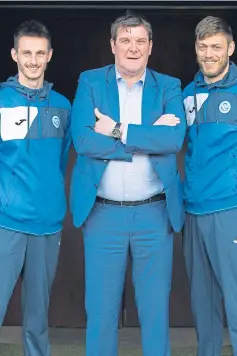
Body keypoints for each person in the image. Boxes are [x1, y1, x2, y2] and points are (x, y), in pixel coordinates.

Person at [71, 11, 186, 356]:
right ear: (113, 45)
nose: (132, 48)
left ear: (150, 47)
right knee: (101, 313)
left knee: (154, 313)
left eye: (139, 41)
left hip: (154, 214)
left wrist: (119, 130)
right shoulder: (91, 82)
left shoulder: (168, 86)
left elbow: (174, 139)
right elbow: (83, 140)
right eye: (125, 40)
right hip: (103, 215)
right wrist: (147, 139)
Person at [0, 20, 71, 356]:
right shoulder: (1, 100)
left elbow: (59, 162)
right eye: (26, 52)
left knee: (37, 320)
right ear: (14, 54)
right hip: (6, 224)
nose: (32, 60)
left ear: (49, 55)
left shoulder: (63, 106)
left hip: (47, 226)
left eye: (39, 53)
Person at [182, 16, 237, 356]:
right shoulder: (188, 94)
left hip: (232, 210)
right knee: (203, 306)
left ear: (231, 49)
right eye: (203, 47)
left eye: (216, 47)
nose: (209, 54)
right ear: (196, 49)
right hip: (194, 210)